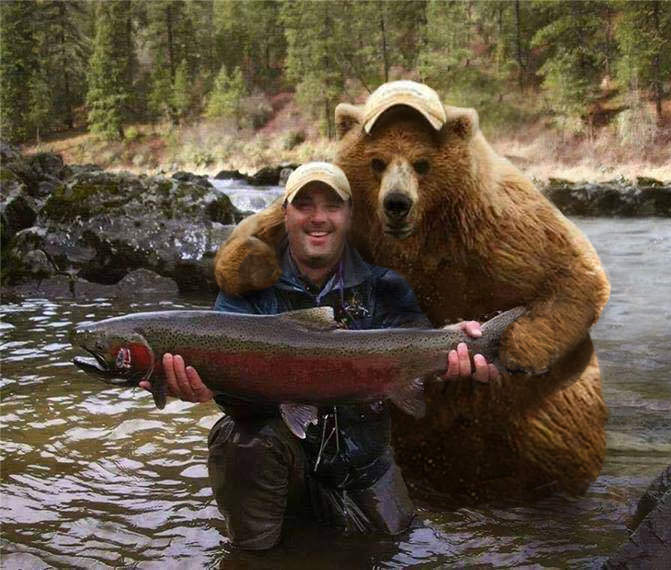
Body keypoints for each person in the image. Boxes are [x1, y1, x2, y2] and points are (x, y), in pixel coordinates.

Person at [141, 162, 498, 549]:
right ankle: (254, 552)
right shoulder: (247, 289)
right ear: (285, 213)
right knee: (237, 439)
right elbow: (238, 400)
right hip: (285, 463)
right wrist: (207, 389)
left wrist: (454, 347)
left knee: (406, 550)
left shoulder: (385, 287)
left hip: (365, 467)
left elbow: (421, 346)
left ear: (349, 215)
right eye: (304, 205)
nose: (318, 218)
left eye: (332, 206)